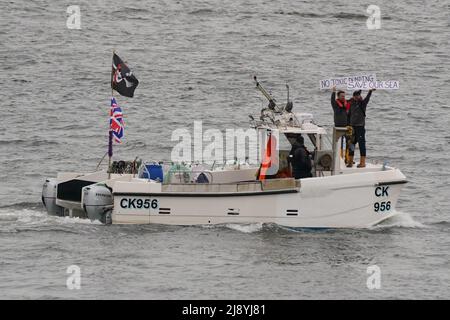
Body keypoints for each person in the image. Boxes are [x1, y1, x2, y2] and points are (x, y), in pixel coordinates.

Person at [347, 89, 376, 168]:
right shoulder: (351, 103)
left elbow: (367, 99)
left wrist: (370, 91)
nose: (357, 97)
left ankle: (362, 162)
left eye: (358, 95)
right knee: (351, 144)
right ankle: (350, 161)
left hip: (360, 127)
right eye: (355, 96)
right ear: (353, 96)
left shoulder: (363, 103)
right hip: (352, 127)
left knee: (361, 144)